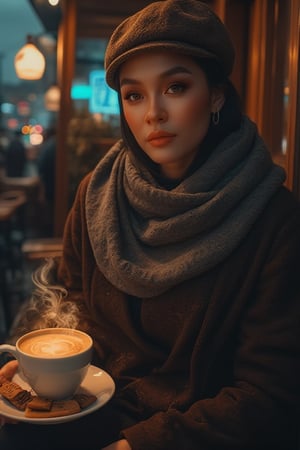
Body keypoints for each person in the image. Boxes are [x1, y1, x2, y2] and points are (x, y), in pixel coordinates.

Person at [0, 1, 300, 449]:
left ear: (216, 94)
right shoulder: (96, 194)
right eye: (134, 95)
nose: (152, 113)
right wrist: (38, 360)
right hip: (95, 404)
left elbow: (270, 395)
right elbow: (69, 297)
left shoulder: (274, 218)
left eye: (176, 87)